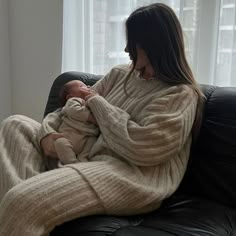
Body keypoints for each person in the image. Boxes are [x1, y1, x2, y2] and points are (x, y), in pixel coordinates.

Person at [0, 3, 204, 236]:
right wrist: (48, 134)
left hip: (131, 176)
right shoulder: (119, 74)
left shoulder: (180, 94)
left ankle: (29, 203)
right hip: (88, 157)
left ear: (153, 45)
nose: (127, 48)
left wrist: (98, 104)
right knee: (15, 124)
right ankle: (34, 201)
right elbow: (70, 107)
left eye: (133, 42)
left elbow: (143, 146)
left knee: (20, 202)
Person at [41, 80, 99, 169]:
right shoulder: (73, 101)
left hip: (87, 136)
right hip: (69, 137)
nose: (87, 86)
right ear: (70, 96)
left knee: (92, 142)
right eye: (81, 86)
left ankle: (83, 160)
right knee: (60, 142)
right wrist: (91, 117)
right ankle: (72, 163)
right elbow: (75, 111)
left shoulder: (89, 101)